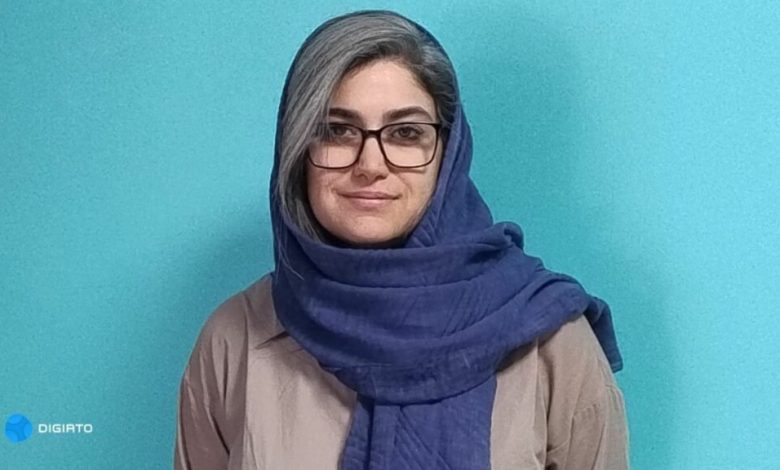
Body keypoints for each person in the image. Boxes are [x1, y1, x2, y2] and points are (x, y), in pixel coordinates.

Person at [174, 9, 628, 470]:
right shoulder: (235, 339)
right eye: (337, 131)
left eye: (406, 132)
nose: (370, 165)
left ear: (448, 152)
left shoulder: (550, 340)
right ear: (297, 152)